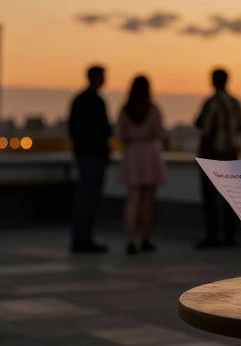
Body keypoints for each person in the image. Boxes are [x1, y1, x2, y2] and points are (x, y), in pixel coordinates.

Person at [194, 67, 241, 248]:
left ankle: (213, 236)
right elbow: (240, 125)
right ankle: (230, 236)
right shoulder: (235, 102)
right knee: (231, 198)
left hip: (212, 155)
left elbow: (202, 125)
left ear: (214, 81)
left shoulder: (211, 102)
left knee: (210, 198)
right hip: (231, 155)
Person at [117, 74, 167, 255]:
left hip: (132, 153)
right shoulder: (152, 109)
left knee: (132, 199)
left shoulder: (125, 110)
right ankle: (146, 238)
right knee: (147, 200)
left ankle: (130, 240)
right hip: (148, 153)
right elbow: (160, 132)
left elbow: (120, 135)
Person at [68, 65, 111, 254]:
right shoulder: (95, 101)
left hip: (85, 155)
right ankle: (84, 239)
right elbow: (104, 130)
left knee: (84, 197)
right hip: (93, 156)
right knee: (89, 198)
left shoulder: (79, 100)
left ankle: (81, 238)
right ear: (96, 78)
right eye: (103, 76)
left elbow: (73, 129)